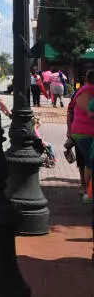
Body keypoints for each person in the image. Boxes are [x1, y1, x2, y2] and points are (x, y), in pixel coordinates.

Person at [69, 70, 94, 259]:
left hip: (82, 133)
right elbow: (89, 112)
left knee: (88, 163)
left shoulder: (85, 89)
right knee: (88, 163)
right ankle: (88, 189)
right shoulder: (88, 90)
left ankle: (88, 189)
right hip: (86, 134)